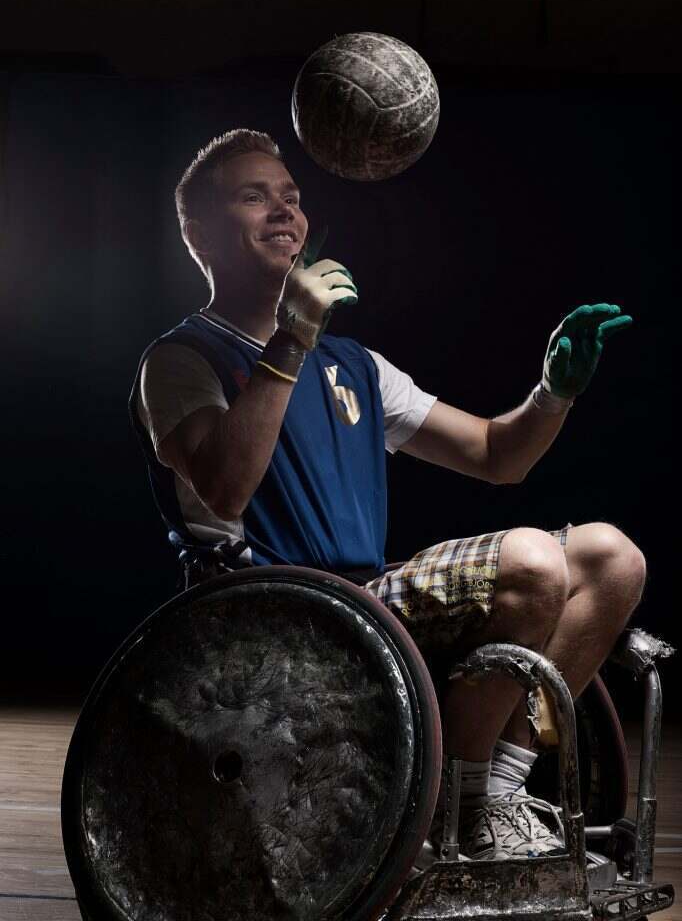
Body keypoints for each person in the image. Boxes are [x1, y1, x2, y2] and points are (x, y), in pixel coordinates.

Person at [130, 128, 646, 863]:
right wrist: (290, 339)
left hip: (367, 602)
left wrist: (553, 393)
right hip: (268, 619)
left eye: (292, 197)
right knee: (532, 561)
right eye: (253, 197)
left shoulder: (356, 365)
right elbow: (226, 483)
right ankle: (463, 811)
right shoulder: (181, 360)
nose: (284, 212)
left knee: (611, 557)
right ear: (198, 233)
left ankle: (494, 792)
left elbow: (498, 454)